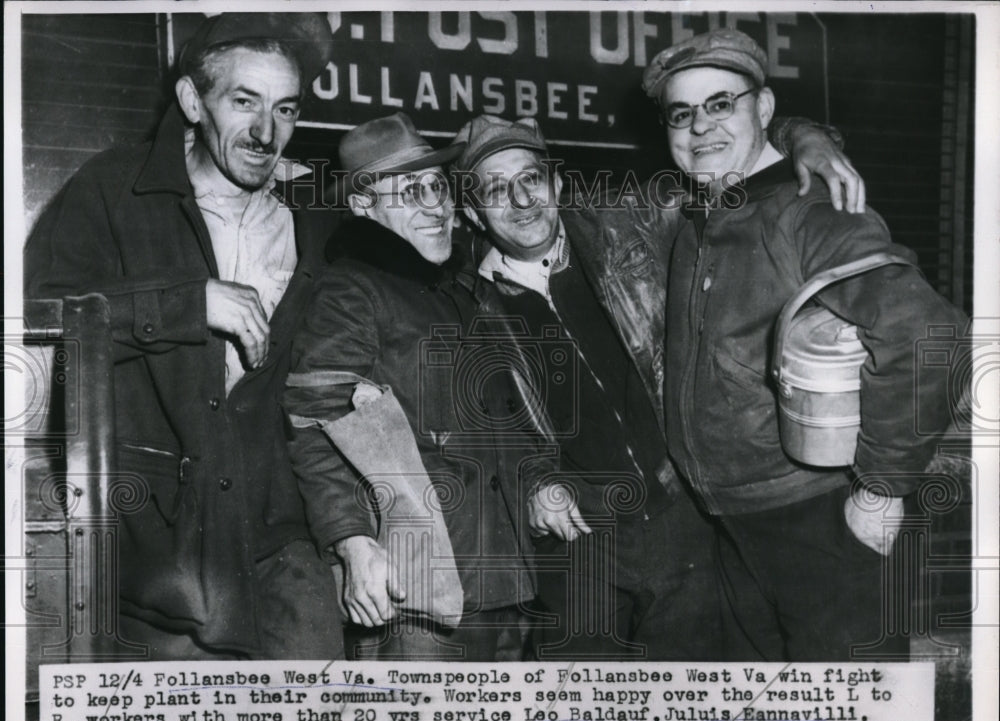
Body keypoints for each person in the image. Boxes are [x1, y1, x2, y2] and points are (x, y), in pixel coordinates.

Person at [449, 111, 864, 659]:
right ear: (474, 213)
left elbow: (725, 154)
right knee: (583, 713)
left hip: (681, 514)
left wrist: (805, 136)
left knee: (688, 708)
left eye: (530, 178)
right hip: (575, 539)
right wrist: (531, 485)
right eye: (496, 190)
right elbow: (472, 432)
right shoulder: (460, 303)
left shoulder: (633, 223)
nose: (522, 200)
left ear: (557, 183)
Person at [637, 28, 968, 660]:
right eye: (682, 113)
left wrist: (881, 487)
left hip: (820, 522)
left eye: (721, 104)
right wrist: (801, 134)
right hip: (731, 527)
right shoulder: (698, 218)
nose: (701, 127)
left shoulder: (811, 210)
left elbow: (929, 333)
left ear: (762, 110)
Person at [24, 13, 345, 660]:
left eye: (286, 108)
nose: (265, 132)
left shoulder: (313, 218)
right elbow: (37, 320)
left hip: (281, 542)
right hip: (159, 551)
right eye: (244, 102)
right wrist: (183, 304)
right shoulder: (115, 189)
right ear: (193, 101)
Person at [283, 112, 563, 660]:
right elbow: (314, 417)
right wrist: (352, 543)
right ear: (364, 205)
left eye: (436, 184)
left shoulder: (463, 289)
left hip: (505, 577)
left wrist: (541, 480)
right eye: (410, 191)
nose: (435, 205)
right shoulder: (352, 289)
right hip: (416, 589)